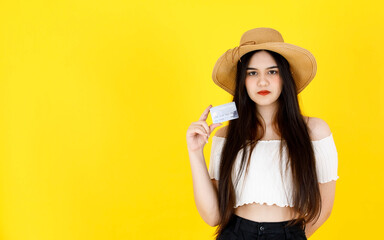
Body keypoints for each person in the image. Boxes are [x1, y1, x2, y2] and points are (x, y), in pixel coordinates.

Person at [186, 28, 339, 240]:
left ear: (285, 77)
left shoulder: (314, 131)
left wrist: (291, 236)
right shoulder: (226, 136)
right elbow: (213, 216)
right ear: (243, 81)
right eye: (252, 73)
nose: (263, 81)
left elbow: (324, 208)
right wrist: (195, 152)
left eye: (272, 71)